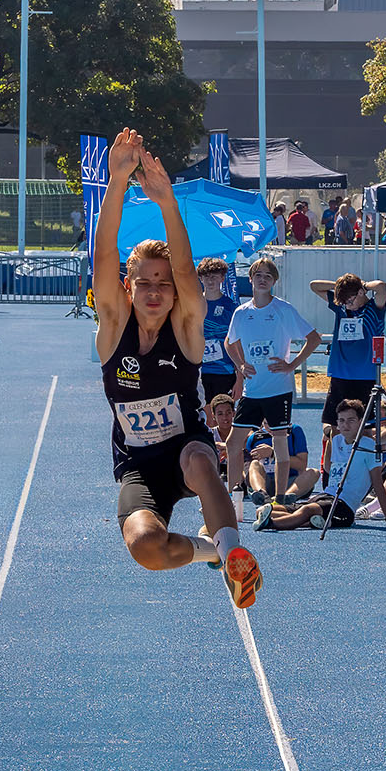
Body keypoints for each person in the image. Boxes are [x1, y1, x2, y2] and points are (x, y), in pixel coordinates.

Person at [92, 127, 261, 609]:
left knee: (200, 459)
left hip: (186, 450)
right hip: (139, 468)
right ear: (128, 288)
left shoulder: (186, 328)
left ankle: (234, 554)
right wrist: (116, 183)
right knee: (146, 548)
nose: (153, 290)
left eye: (162, 285)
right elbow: (104, 256)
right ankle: (209, 551)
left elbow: (186, 274)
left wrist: (167, 202)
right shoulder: (112, 332)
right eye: (142, 282)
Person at [225, 256, 320, 504]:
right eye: (259, 275)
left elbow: (314, 338)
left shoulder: (283, 310)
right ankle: (232, 497)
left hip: (278, 389)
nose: (263, 279)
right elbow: (229, 342)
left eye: (268, 276)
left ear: (274, 281)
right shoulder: (241, 312)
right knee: (233, 442)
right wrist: (241, 364)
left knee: (280, 443)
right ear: (251, 279)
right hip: (252, 391)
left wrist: (292, 365)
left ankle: (279, 499)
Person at [257, 400, 386, 532]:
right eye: (341, 420)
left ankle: (270, 524)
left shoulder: (368, 446)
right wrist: (329, 438)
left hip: (344, 505)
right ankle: (314, 521)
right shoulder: (336, 440)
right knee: (270, 509)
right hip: (326, 495)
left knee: (308, 510)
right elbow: (329, 468)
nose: (345, 425)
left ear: (360, 422)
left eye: (351, 420)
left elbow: (378, 484)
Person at [309, 272, 386, 434]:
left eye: (351, 301)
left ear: (360, 293)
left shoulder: (374, 308)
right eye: (345, 302)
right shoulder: (342, 306)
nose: (348, 305)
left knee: (365, 428)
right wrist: (339, 286)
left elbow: (382, 287)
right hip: (340, 373)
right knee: (334, 426)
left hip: (365, 375)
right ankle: (334, 459)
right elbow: (314, 286)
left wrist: (362, 286)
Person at [194, 257, 242, 404]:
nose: (210, 281)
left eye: (214, 277)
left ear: (222, 278)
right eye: (206, 276)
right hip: (199, 373)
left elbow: (239, 343)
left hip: (224, 373)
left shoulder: (231, 307)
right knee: (202, 417)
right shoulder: (193, 304)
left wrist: (240, 379)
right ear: (200, 278)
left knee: (224, 416)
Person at [245, 421, 314, 504]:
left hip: (290, 482)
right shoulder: (254, 438)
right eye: (267, 423)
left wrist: (273, 453)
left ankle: (285, 497)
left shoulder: (294, 431)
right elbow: (249, 470)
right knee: (254, 464)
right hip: (265, 482)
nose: (271, 427)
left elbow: (302, 464)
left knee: (313, 472)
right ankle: (262, 494)